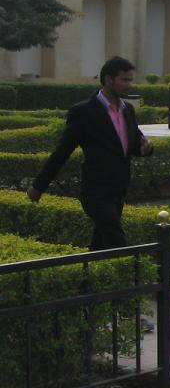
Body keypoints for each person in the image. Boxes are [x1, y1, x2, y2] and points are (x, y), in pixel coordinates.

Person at [27, 56, 155, 250]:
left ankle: (88, 270)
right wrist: (39, 186)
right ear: (109, 80)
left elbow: (134, 145)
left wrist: (147, 148)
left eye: (131, 79)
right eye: (125, 80)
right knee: (117, 244)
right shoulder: (84, 112)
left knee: (100, 246)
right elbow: (62, 151)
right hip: (96, 192)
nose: (130, 85)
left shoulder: (127, 110)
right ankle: (134, 271)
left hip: (118, 190)